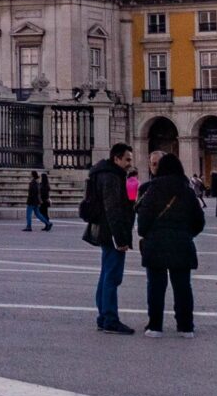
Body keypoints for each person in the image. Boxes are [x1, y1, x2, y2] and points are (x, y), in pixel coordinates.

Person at [135, 153, 205, 337]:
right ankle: (185, 327)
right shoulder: (187, 191)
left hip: (156, 243)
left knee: (156, 286)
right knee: (183, 286)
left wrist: (147, 233)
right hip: (182, 243)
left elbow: (143, 222)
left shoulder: (151, 190)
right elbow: (199, 221)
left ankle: (155, 326)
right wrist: (187, 234)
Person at [84, 143, 135, 334]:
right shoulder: (112, 177)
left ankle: (103, 317)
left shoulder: (102, 173)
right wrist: (121, 239)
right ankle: (110, 319)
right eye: (127, 159)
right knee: (112, 277)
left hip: (104, 231)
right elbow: (113, 209)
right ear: (117, 159)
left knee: (106, 275)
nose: (130, 163)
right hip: (111, 232)